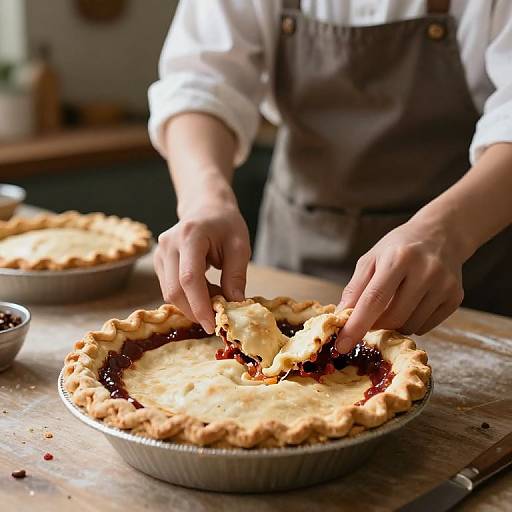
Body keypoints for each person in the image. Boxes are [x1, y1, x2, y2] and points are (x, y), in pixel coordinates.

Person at [148, 0, 512, 354]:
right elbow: (199, 81)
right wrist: (205, 198)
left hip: (464, 274)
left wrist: (446, 231)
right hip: (294, 257)